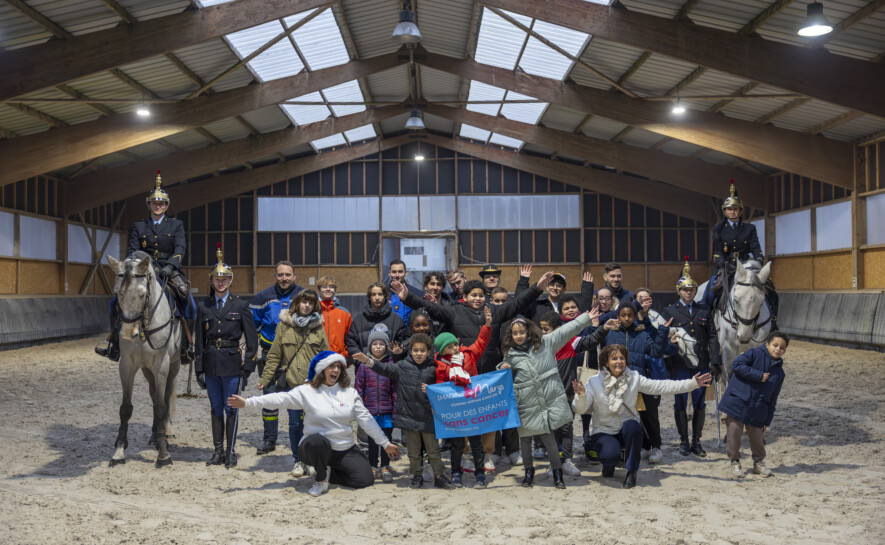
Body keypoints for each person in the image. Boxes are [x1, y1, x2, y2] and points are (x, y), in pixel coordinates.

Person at [391, 272, 557, 467]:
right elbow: (432, 308)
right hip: (464, 376)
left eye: (480, 295)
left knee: (492, 413)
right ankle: (468, 454)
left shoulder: (494, 312)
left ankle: (492, 454)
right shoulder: (454, 311)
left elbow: (518, 303)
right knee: (466, 416)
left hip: (490, 374)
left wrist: (537, 287)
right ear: (465, 297)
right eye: (473, 295)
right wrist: (407, 297)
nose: (478, 299)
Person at [228, 352, 400, 497]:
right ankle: (321, 480)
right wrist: (247, 402)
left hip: (344, 448)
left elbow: (367, 420)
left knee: (365, 479)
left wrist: (385, 443)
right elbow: (279, 399)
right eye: (331, 366)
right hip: (314, 447)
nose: (336, 370)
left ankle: (329, 473)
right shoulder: (307, 391)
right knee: (318, 441)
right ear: (321, 370)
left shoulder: (350, 393)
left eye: (339, 367)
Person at [572, 345, 712, 488]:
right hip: (603, 429)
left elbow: (661, 386)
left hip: (627, 427)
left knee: (633, 427)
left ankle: (632, 471)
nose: (619, 361)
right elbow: (579, 409)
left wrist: (692, 384)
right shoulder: (594, 382)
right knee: (609, 456)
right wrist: (581, 396)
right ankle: (610, 464)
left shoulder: (634, 377)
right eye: (614, 359)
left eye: (622, 358)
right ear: (606, 363)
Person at [96, 171, 193, 362]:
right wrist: (142, 268)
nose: (158, 206)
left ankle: (186, 346)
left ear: (166, 206)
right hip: (143, 271)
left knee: (189, 301)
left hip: (169, 270)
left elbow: (180, 247)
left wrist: (171, 266)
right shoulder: (139, 226)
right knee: (114, 303)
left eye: (162, 203)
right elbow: (133, 250)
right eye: (155, 203)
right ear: (149, 205)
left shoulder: (176, 225)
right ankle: (114, 344)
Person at [498, 307, 594, 489]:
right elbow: (503, 370)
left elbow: (567, 330)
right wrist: (502, 366)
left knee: (549, 439)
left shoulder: (546, 343)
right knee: (525, 441)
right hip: (525, 403)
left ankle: (557, 473)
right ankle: (528, 472)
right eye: (515, 333)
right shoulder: (510, 353)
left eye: (522, 332)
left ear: (529, 331)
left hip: (545, 402)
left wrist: (586, 318)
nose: (519, 336)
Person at [353, 333, 456, 490]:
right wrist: (368, 361)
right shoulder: (402, 366)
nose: (419, 354)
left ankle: (439, 476)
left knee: (433, 451)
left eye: (422, 351)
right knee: (413, 453)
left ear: (429, 352)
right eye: (415, 350)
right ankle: (416, 476)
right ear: (410, 351)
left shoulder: (433, 368)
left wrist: (432, 390)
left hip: (428, 418)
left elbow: (445, 388)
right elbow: (384, 368)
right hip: (408, 417)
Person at [582, 302, 673, 466]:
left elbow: (655, 352)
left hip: (637, 381)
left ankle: (656, 446)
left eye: (630, 315)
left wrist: (663, 332)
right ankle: (636, 448)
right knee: (624, 416)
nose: (626, 318)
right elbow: (591, 341)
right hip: (613, 382)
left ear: (634, 317)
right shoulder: (609, 334)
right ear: (617, 316)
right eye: (623, 315)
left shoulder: (642, 335)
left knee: (649, 415)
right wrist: (595, 326)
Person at [193, 244, 258, 468]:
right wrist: (198, 368)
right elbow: (199, 340)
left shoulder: (240, 305)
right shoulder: (204, 306)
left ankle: (230, 452)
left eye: (224, 279)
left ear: (230, 281)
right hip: (211, 364)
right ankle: (217, 451)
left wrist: (248, 367)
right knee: (215, 408)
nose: (220, 283)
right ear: (211, 281)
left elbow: (252, 341)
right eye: (216, 279)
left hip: (232, 365)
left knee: (231, 409)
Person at [257, 289, 329, 477]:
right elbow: (274, 355)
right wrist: (265, 379)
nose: (307, 305)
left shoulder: (318, 327)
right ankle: (298, 460)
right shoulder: (283, 326)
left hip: (313, 385)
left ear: (315, 306)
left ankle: (311, 460)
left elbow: (325, 357)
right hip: (292, 384)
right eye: (304, 302)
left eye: (310, 303)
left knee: (313, 424)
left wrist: (328, 381)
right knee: (295, 424)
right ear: (297, 303)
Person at [661, 260, 722, 458]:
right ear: (679, 291)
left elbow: (712, 335)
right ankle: (683, 441)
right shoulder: (669, 311)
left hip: (701, 363)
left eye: (692, 289)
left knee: (699, 402)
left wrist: (715, 360)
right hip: (679, 363)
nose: (689, 293)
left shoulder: (704, 310)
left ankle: (696, 440)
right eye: (685, 290)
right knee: (680, 402)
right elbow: (664, 336)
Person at [434, 307, 492, 488]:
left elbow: (481, 342)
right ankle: (456, 473)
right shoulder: (441, 367)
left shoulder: (468, 354)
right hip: (456, 410)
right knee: (457, 444)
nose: (454, 348)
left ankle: (480, 474)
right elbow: (440, 388)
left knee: (476, 443)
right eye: (449, 347)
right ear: (443, 351)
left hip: (473, 405)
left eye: (454, 345)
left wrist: (487, 325)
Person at [537, 309, 600, 477]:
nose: (542, 332)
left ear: (558, 329)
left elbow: (592, 340)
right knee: (551, 431)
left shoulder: (570, 342)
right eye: (541, 328)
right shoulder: (537, 346)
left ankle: (566, 460)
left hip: (566, 395)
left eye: (546, 329)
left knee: (566, 429)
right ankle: (553, 463)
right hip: (547, 397)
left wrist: (603, 328)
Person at [249, 261, 304, 455]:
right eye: (280, 275)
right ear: (276, 276)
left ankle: (299, 438)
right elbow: (252, 326)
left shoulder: (304, 295)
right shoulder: (262, 297)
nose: (284, 278)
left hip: (297, 357)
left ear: (294, 276)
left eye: (288, 274)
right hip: (269, 356)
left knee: (297, 399)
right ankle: (269, 439)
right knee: (270, 398)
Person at [719, 332, 789, 480]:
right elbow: (736, 365)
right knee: (734, 433)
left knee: (757, 438)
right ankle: (735, 461)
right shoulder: (753, 353)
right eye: (775, 345)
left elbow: (773, 398)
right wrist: (758, 375)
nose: (778, 349)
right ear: (767, 344)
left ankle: (758, 463)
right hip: (737, 402)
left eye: (782, 348)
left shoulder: (780, 373)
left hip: (759, 409)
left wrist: (767, 420)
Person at [708, 181, 778, 328]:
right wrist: (720, 261)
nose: (732, 212)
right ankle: (708, 323)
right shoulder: (718, 229)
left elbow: (756, 248)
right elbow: (717, 250)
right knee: (709, 293)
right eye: (729, 209)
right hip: (726, 266)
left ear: (740, 211)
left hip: (747, 266)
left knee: (772, 293)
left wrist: (759, 259)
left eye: (735, 209)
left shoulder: (749, 228)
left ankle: (773, 323)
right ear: (725, 211)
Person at [354, 326, 398, 483]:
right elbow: (358, 389)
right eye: (375, 344)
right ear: (369, 346)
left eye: (381, 343)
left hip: (387, 411)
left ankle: (385, 466)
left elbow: (395, 390)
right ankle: (373, 466)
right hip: (370, 410)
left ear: (386, 346)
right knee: (372, 440)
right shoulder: (364, 366)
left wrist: (395, 410)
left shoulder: (391, 365)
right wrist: (359, 408)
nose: (378, 346)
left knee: (387, 439)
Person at [346, 282, 409, 365]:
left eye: (380, 294)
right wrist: (360, 362)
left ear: (385, 296)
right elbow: (351, 343)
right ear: (369, 297)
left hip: (389, 369)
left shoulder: (396, 320)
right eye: (373, 294)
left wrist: (395, 358)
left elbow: (402, 342)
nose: (377, 298)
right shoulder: (359, 320)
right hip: (364, 370)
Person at [515, 265, 595, 325]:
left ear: (564, 290)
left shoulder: (570, 306)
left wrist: (587, 287)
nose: (555, 288)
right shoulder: (537, 305)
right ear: (546, 287)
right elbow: (518, 305)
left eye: (559, 286)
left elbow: (585, 308)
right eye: (552, 284)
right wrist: (523, 282)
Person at [316, 276, 352, 359]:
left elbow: (350, 339)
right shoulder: (313, 312)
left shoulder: (345, 313)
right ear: (318, 290)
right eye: (324, 287)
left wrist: (346, 356)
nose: (328, 289)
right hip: (317, 359)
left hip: (338, 359)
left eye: (331, 287)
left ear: (335, 290)